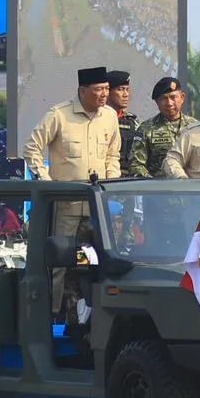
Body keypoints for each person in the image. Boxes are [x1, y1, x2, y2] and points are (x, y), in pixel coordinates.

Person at [22, 66, 121, 319]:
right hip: (65, 206)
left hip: (97, 207)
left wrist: (111, 183)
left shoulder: (110, 116)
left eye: (106, 89)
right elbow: (32, 149)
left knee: (99, 262)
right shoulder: (59, 115)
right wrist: (48, 184)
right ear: (82, 91)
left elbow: (113, 154)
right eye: (98, 90)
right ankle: (51, 318)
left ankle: (96, 318)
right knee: (59, 265)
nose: (103, 95)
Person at [128, 76, 199, 178]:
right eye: (164, 99)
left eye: (173, 97)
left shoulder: (195, 127)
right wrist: (152, 184)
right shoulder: (146, 129)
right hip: (158, 190)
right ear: (157, 102)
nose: (169, 103)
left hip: (190, 188)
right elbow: (136, 164)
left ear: (182, 98)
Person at [106, 70, 139, 176]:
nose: (125, 95)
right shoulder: (97, 119)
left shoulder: (133, 122)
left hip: (126, 181)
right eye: (120, 90)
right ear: (108, 92)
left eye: (127, 90)